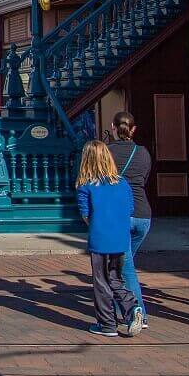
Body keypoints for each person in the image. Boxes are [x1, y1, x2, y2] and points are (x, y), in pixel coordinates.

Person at [76, 140, 144, 338]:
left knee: (101, 283)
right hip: (120, 238)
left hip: (100, 238)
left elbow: (86, 214)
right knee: (115, 279)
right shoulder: (122, 183)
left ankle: (107, 324)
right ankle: (132, 307)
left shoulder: (86, 186)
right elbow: (130, 208)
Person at [106, 112, 153, 325]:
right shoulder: (142, 153)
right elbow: (144, 179)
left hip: (120, 213)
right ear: (133, 129)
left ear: (113, 127)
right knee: (123, 263)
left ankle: (136, 312)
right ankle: (123, 306)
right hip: (143, 213)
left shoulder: (107, 153)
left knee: (125, 266)